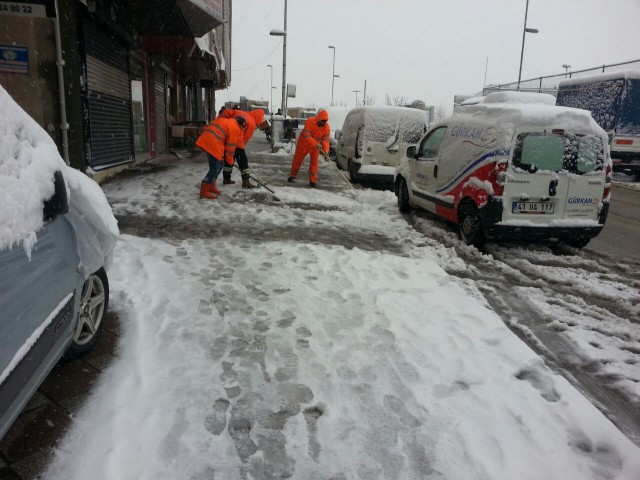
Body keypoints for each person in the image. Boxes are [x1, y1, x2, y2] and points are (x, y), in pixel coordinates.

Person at [195, 115, 246, 199]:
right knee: (214, 167)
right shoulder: (234, 128)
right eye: (243, 127)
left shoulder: (226, 121)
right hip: (213, 145)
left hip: (210, 141)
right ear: (240, 124)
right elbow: (230, 147)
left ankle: (211, 185)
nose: (242, 129)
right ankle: (204, 190)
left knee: (221, 164)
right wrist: (230, 160)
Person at [219, 109, 269, 189]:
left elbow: (226, 112)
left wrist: (220, 121)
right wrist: (240, 150)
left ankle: (226, 178)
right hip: (237, 141)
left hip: (228, 138)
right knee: (243, 162)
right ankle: (246, 181)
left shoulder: (241, 112)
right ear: (259, 118)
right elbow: (245, 138)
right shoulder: (252, 123)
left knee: (229, 159)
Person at [287, 109, 330, 188]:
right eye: (323, 121)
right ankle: (292, 176)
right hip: (304, 143)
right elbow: (307, 135)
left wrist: (326, 150)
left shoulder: (326, 127)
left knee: (314, 163)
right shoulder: (310, 121)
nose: (324, 123)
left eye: (325, 121)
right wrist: (315, 144)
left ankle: (313, 181)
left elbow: (326, 140)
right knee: (297, 160)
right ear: (319, 119)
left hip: (315, 146)